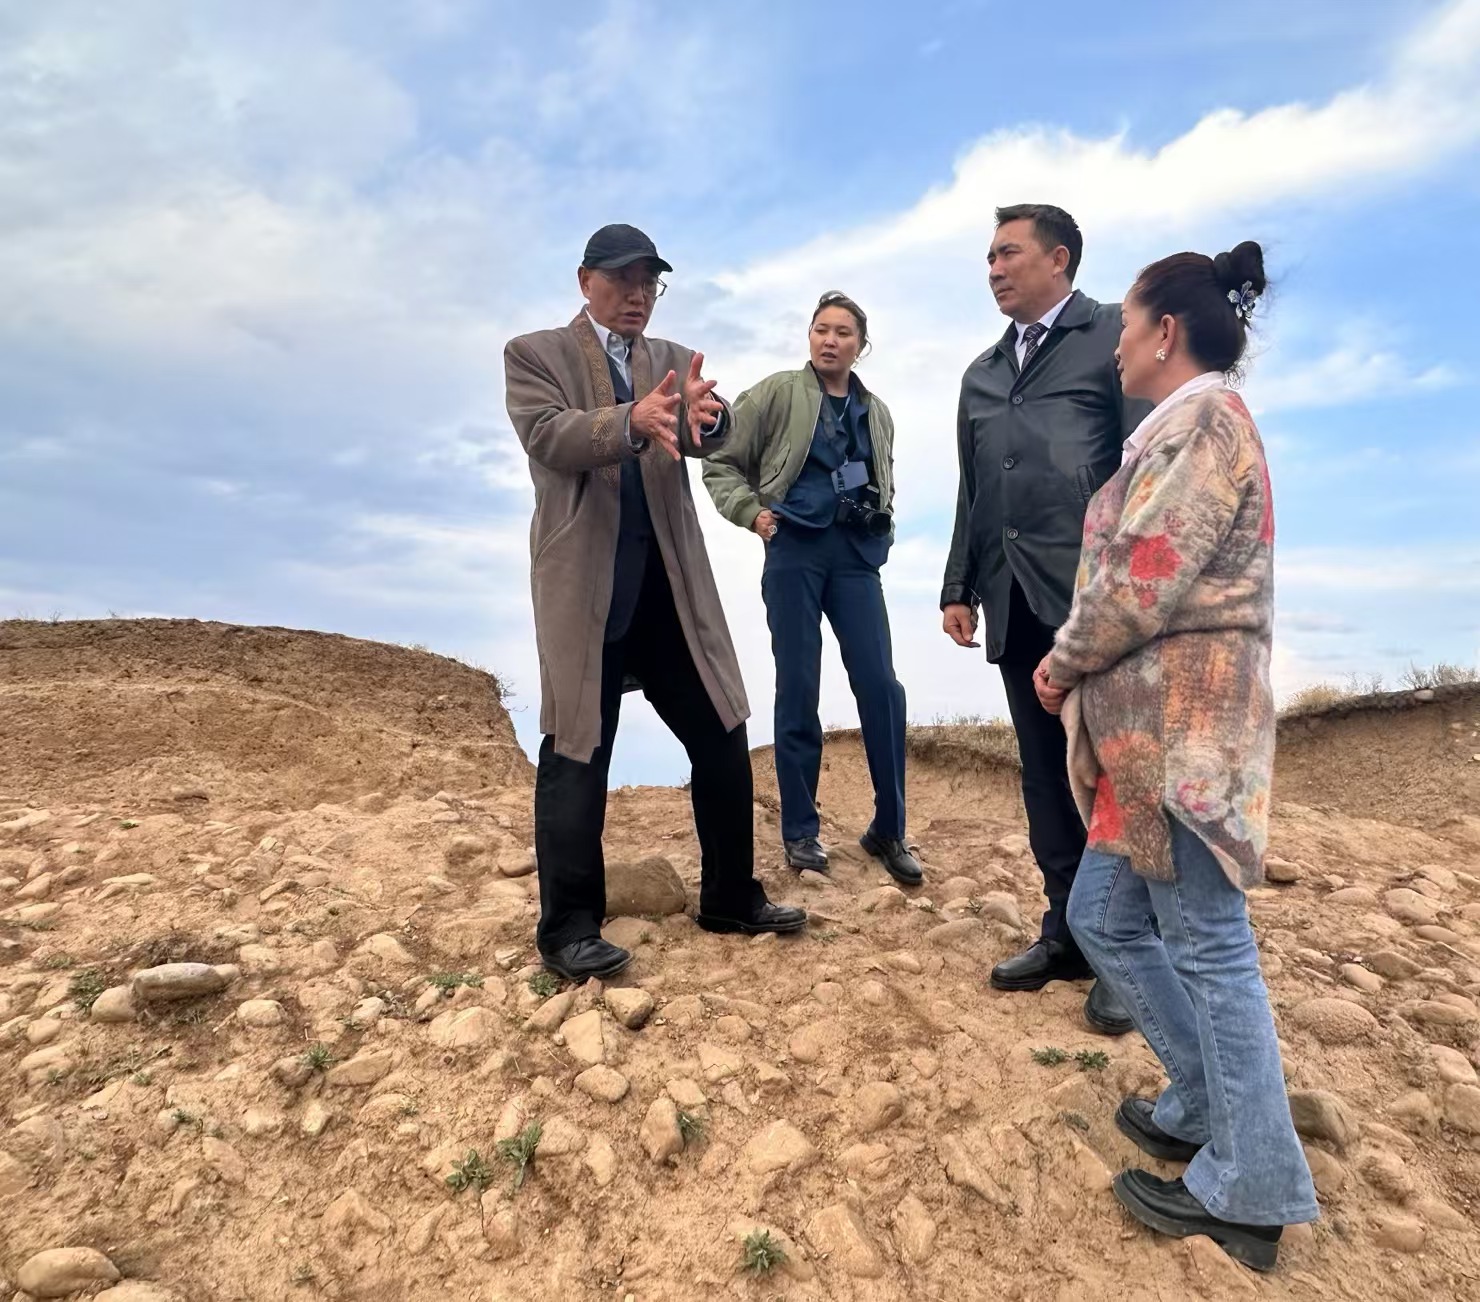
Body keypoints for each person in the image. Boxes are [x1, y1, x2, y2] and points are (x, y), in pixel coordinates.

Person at [1036, 241, 1317, 1271]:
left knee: (1208, 943)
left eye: (1123, 327)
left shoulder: (1202, 423)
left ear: (1164, 333)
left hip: (1184, 736)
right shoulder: (1181, 426)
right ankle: (1204, 1099)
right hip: (1149, 747)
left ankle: (1252, 1186)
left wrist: (1063, 661)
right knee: (1103, 917)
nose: (1114, 346)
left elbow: (1140, 578)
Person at [503, 223, 806, 982]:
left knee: (722, 725)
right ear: (585, 281)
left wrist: (712, 418)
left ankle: (730, 896)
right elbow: (549, 437)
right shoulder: (533, 354)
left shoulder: (672, 359)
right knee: (578, 747)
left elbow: (707, 436)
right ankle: (569, 930)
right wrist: (628, 420)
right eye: (622, 279)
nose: (638, 295)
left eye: (649, 282)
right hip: (585, 588)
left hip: (668, 586)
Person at [941, 204, 1147, 1035]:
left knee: (1114, 775)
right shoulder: (982, 373)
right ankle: (1066, 932)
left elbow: (1142, 468)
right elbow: (974, 489)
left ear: (1058, 259)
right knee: (1043, 773)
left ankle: (1125, 950)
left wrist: (1133, 589)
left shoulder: (1115, 338)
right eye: (988, 257)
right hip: (1013, 596)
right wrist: (959, 585)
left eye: (1008, 253)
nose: (993, 268)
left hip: (1095, 598)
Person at [704, 292, 921, 885]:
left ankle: (889, 829)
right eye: (821, 329)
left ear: (861, 345)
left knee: (881, 686)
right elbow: (719, 459)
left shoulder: (877, 411)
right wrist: (751, 513)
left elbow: (883, 479)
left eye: (843, 332)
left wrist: (884, 527)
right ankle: (800, 830)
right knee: (799, 685)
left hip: (856, 558)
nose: (830, 340)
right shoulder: (777, 392)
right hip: (794, 548)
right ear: (809, 336)